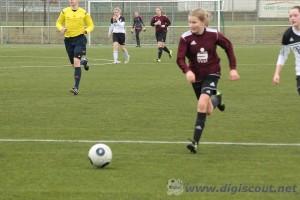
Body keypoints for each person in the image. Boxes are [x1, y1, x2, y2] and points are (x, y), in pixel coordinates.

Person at [176, 8, 240, 154]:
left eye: (194, 22)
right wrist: (187, 71)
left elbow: (228, 47)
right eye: (189, 22)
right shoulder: (186, 38)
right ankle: (218, 97)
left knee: (201, 103)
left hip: (212, 73)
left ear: (203, 22)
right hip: (196, 76)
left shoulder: (214, 34)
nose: (191, 25)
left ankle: (195, 143)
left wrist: (233, 68)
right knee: (208, 110)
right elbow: (179, 58)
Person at [56, 0, 94, 95]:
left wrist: (85, 31)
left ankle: (76, 88)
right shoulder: (64, 11)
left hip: (80, 40)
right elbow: (58, 23)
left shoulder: (84, 12)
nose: (71, 0)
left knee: (76, 62)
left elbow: (91, 25)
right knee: (74, 64)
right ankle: (84, 62)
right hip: (68, 40)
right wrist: (61, 29)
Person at [273, 6, 300, 96]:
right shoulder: (288, 34)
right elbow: (283, 55)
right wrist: (277, 74)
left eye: (295, 15)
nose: (292, 18)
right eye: (290, 16)